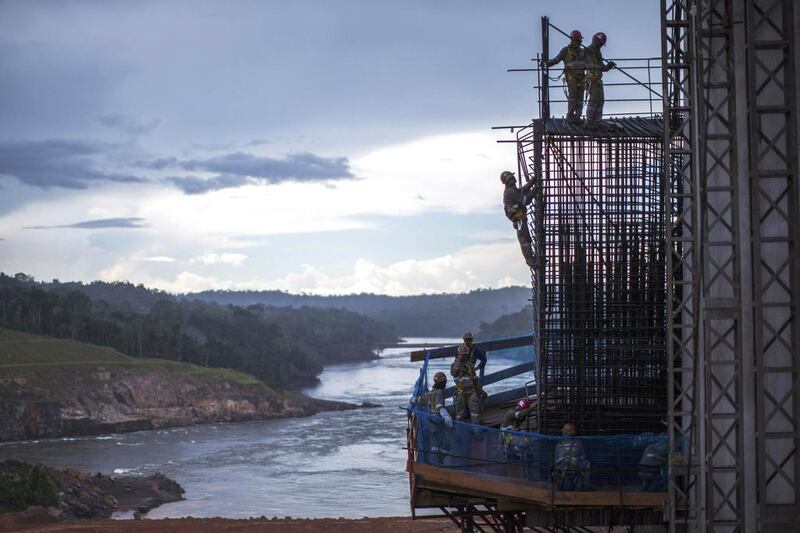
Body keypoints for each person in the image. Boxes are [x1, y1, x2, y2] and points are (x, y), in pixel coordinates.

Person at [543, 30, 586, 123]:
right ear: (573, 40)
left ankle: (578, 116)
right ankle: (570, 116)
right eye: (578, 40)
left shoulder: (583, 51)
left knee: (580, 97)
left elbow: (589, 63)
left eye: (580, 41)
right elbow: (556, 59)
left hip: (582, 77)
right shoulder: (566, 50)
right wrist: (547, 64)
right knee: (573, 95)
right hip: (571, 76)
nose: (580, 42)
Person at [501, 170, 538, 270]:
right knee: (525, 240)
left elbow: (523, 190)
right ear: (510, 180)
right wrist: (534, 191)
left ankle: (532, 260)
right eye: (512, 178)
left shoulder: (512, 190)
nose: (514, 180)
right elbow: (525, 200)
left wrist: (533, 182)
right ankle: (532, 262)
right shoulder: (510, 192)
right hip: (518, 218)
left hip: (518, 216)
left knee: (526, 238)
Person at [582, 32, 616, 128]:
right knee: (593, 101)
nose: (601, 46)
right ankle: (589, 122)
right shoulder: (587, 51)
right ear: (595, 40)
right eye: (600, 43)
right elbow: (590, 65)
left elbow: (602, 68)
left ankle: (597, 121)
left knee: (600, 100)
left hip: (597, 80)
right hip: (591, 79)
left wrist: (608, 66)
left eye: (602, 44)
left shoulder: (597, 52)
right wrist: (601, 67)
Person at [425, 371, 453, 466]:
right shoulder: (440, 392)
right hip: (437, 419)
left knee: (434, 444)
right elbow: (439, 406)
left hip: (429, 420)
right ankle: (438, 461)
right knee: (447, 442)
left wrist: (413, 399)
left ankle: (432, 462)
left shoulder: (430, 393)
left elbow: (421, 400)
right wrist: (446, 417)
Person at [553, 422, 591, 491]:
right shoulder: (579, 443)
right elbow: (583, 458)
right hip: (575, 469)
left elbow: (556, 460)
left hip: (561, 469)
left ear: (564, 433)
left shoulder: (558, 445)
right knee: (587, 463)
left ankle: (558, 484)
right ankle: (586, 486)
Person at [451, 343, 482, 425]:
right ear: (458, 355)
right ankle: (459, 432)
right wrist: (458, 361)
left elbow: (475, 379)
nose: (464, 357)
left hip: (471, 391)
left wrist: (480, 391)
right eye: (462, 355)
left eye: (465, 355)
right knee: (459, 414)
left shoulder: (470, 365)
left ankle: (476, 430)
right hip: (460, 391)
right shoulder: (454, 365)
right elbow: (453, 373)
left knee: (475, 413)